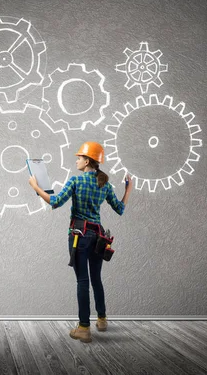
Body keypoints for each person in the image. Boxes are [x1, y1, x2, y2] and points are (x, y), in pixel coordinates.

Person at [28, 141, 132, 343]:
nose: (76, 161)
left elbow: (55, 202)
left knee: (82, 281)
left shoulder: (76, 181)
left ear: (87, 160)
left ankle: (84, 328)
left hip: (79, 236)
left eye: (79, 158)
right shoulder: (105, 185)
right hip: (99, 237)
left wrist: (35, 187)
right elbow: (120, 208)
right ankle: (101, 319)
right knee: (96, 279)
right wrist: (128, 190)